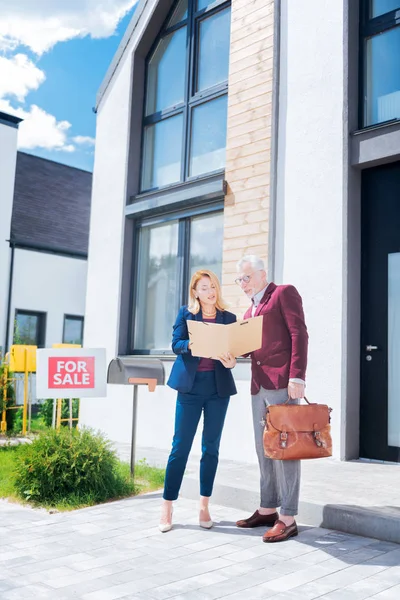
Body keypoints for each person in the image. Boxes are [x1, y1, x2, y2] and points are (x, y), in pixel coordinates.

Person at [235, 255, 308, 543]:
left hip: (283, 384)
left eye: (246, 277)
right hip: (258, 386)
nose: (243, 284)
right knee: (263, 447)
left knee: (286, 449)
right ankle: (267, 508)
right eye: (239, 279)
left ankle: (287, 517)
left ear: (263, 274)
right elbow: (248, 348)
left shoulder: (283, 293)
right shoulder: (250, 311)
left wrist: (297, 376)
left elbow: (298, 333)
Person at [159, 269, 237, 533]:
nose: (210, 291)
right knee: (180, 447)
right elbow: (176, 344)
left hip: (218, 389)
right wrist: (194, 344)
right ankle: (167, 505)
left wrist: (232, 360)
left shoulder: (229, 318)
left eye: (212, 286)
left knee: (211, 448)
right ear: (195, 292)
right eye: (204, 287)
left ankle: (204, 505)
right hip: (190, 389)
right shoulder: (186, 313)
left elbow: (234, 353)